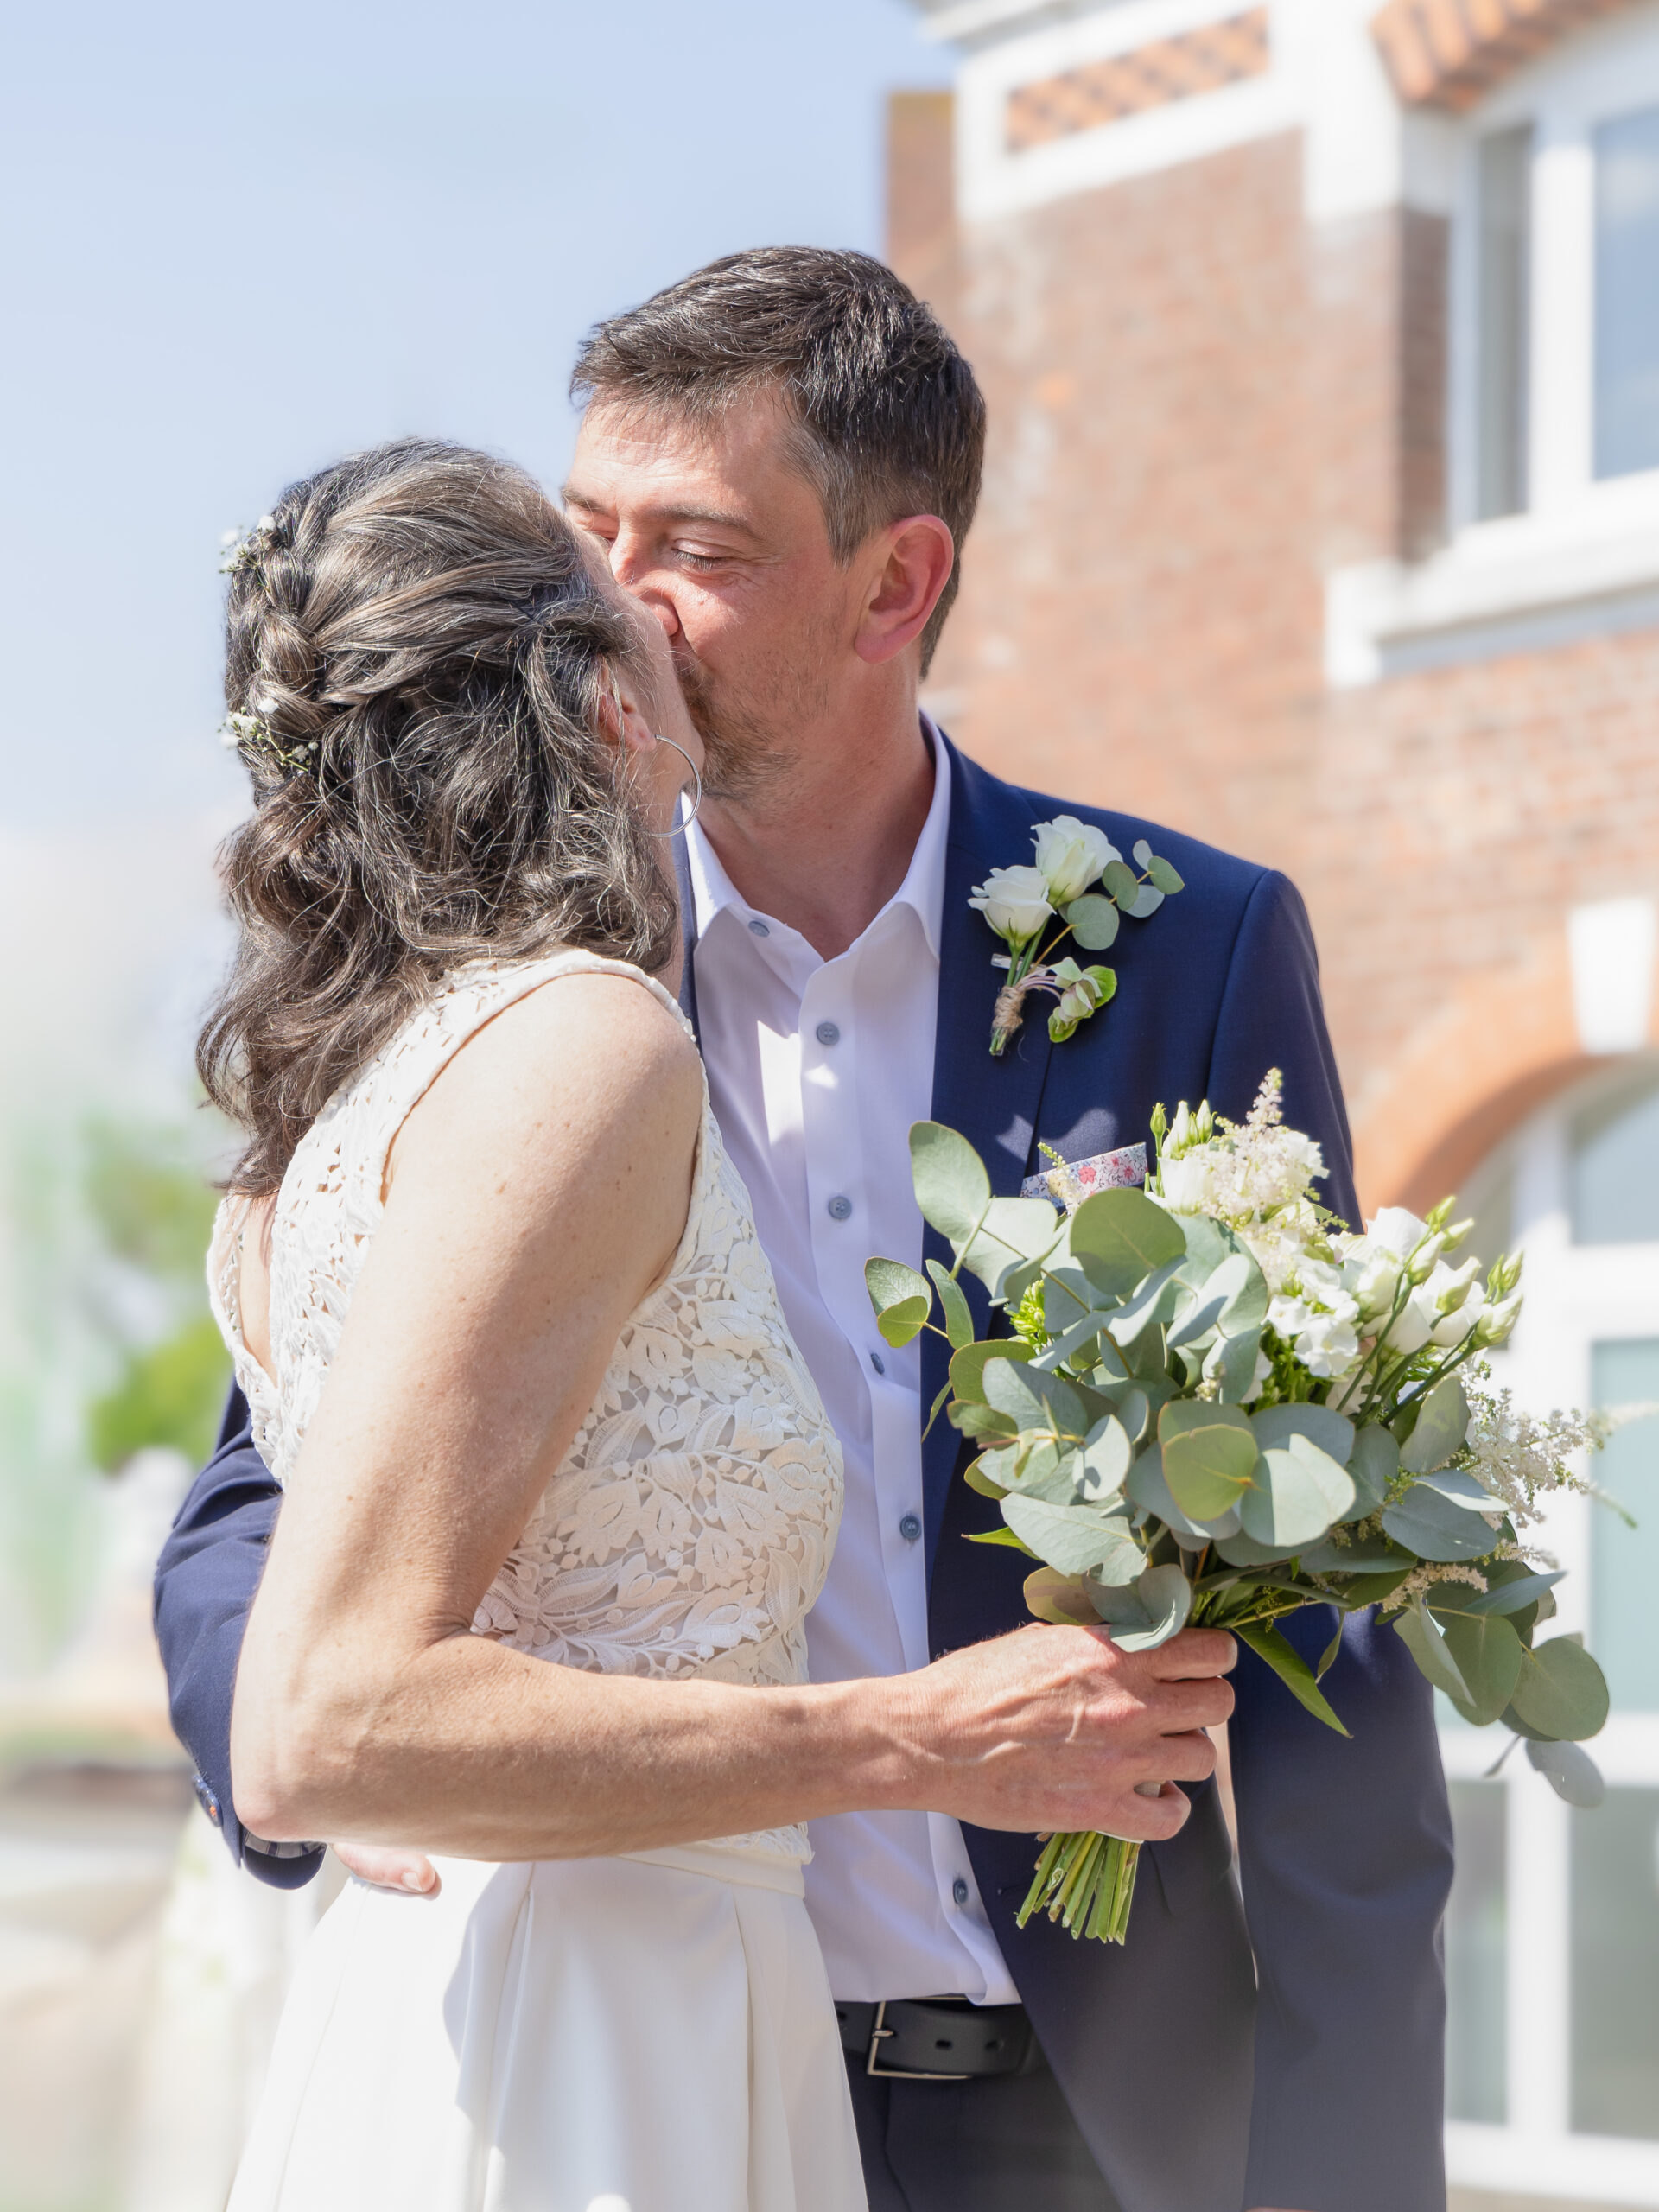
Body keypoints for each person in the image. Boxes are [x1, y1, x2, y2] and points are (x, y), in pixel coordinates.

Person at [157, 251, 1452, 2212]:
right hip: (643, 2050)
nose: (611, 598)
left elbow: (1323, 1606)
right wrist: (351, 1757)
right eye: (586, 527)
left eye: (696, 543)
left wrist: (1354, 2170)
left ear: (895, 582)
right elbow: (270, 1487)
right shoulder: (518, 998)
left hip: (1091, 2104)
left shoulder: (1189, 953)